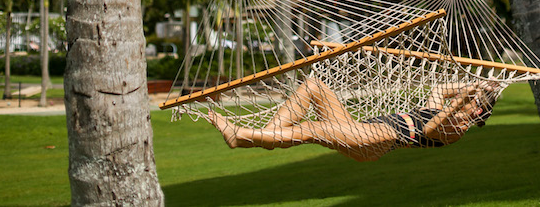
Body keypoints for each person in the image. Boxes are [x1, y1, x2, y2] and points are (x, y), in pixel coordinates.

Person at [206, 76, 496, 162]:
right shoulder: (442, 107)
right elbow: (439, 89)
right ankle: (264, 137)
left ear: (478, 112)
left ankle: (242, 136)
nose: (468, 101)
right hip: (363, 128)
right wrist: (474, 86)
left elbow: (432, 128)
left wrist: (460, 102)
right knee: (313, 86)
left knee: (310, 129)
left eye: (474, 102)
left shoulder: (457, 128)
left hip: (379, 140)